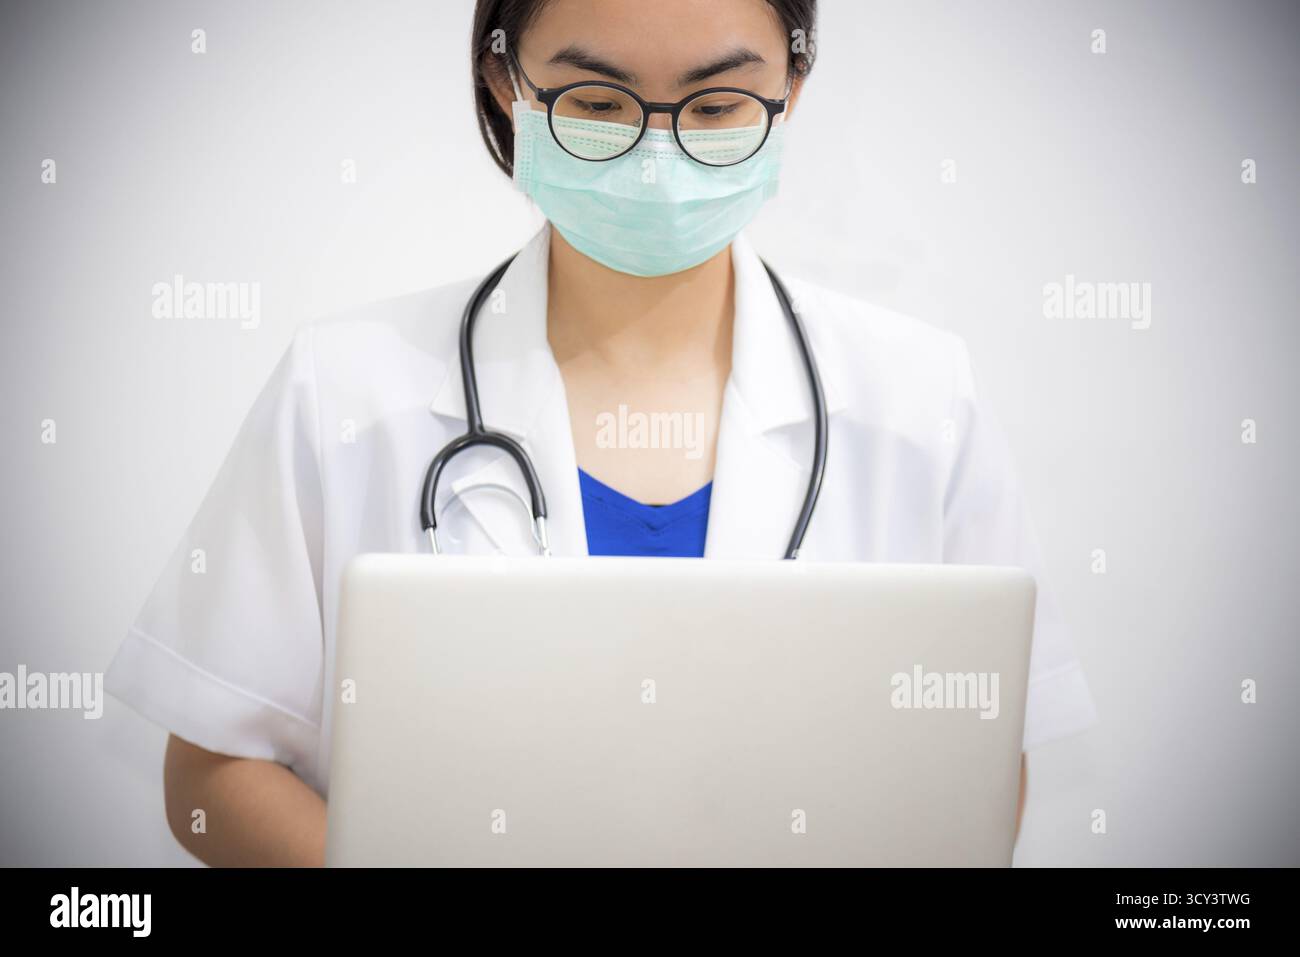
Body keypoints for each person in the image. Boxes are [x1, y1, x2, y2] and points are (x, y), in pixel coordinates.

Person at [106, 0, 1097, 867]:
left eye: (714, 106)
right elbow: (211, 777)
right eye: (595, 102)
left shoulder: (920, 400)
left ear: (793, 82)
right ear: (505, 78)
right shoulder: (346, 389)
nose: (656, 158)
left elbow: (978, 770)